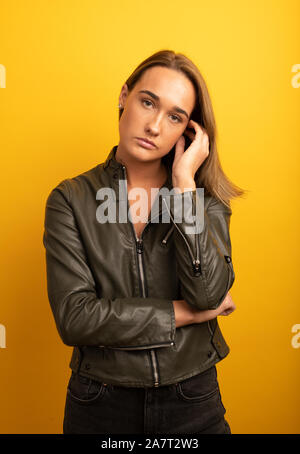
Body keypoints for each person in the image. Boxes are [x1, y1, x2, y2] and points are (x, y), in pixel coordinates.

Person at [43, 49, 245, 435]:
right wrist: (183, 315)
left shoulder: (203, 200)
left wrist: (185, 186)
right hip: (100, 401)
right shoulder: (70, 198)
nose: (154, 126)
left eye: (175, 117)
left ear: (189, 132)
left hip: (193, 397)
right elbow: (75, 318)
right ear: (124, 96)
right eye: (148, 102)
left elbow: (207, 293)